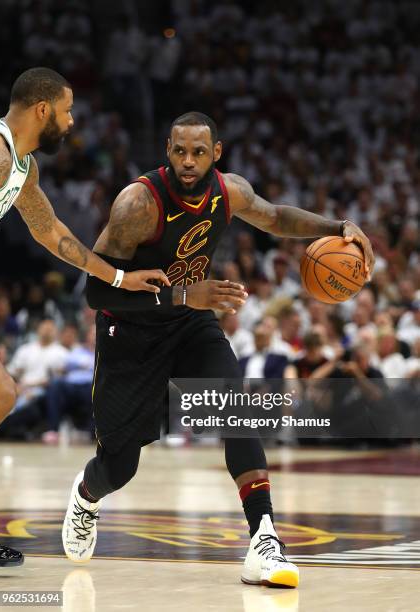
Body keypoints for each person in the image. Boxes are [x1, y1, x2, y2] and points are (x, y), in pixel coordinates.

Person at [62, 112, 374, 588]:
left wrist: (338, 225)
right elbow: (97, 294)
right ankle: (86, 497)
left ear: (216, 153)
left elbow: (275, 217)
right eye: (181, 151)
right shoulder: (138, 204)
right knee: (118, 466)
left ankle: (264, 538)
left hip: (189, 322)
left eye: (199, 152)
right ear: (168, 150)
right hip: (128, 333)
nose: (189, 162)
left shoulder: (229, 193)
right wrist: (186, 294)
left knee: (236, 405)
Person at [0, 67, 170, 569]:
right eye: (67, 111)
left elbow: (51, 232)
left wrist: (118, 278)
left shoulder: (22, 167)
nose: (72, 122)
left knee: (2, 394)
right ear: (43, 109)